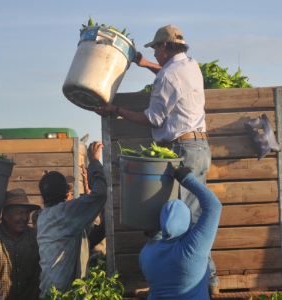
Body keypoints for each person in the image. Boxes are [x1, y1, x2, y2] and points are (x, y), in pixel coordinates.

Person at [94, 24, 219, 293]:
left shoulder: (167, 76)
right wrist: (145, 63)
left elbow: (152, 118)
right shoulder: (190, 65)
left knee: (184, 221)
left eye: (156, 49)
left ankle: (190, 284)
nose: (156, 54)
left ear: (164, 46)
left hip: (182, 150)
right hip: (199, 147)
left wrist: (115, 110)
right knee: (196, 216)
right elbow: (168, 74)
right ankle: (210, 281)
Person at [36, 141, 107, 296]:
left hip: (51, 293)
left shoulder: (46, 216)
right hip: (61, 295)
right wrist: (94, 162)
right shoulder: (64, 213)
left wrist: (102, 228)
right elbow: (100, 194)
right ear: (66, 194)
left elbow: (85, 240)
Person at [139, 167, 221, 300]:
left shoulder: (146, 254)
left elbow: (161, 251)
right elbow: (213, 206)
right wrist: (187, 179)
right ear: (187, 221)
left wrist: (156, 236)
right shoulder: (193, 248)